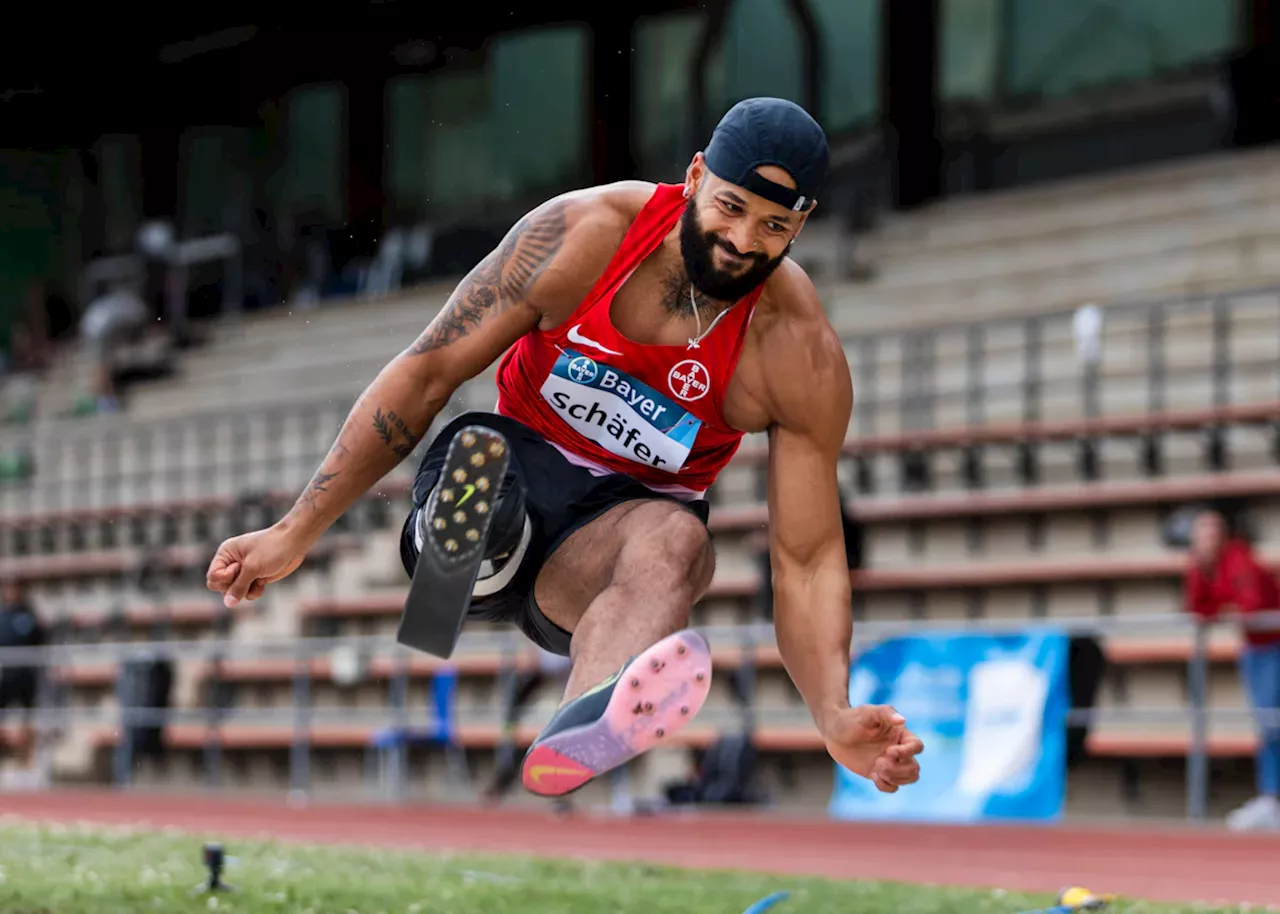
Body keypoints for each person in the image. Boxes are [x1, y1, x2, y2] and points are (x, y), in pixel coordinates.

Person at [206, 97, 924, 800]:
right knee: (479, 466)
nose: (742, 241)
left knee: (681, 541)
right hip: (511, 468)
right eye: (730, 207)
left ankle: (587, 717)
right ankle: (460, 575)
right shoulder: (583, 235)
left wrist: (832, 712)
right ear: (696, 176)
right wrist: (294, 531)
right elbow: (428, 371)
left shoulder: (797, 352)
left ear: (802, 224)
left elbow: (806, 560)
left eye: (772, 226)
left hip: (607, 548)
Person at [1184, 507, 1280, 830]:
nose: (1206, 540)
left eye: (1212, 532)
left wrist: (1228, 607)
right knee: (1266, 723)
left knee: (1271, 722)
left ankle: (1272, 798)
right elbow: (1198, 607)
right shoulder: (1202, 566)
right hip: (1256, 647)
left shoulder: (1238, 558)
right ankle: (1271, 798)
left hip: (1273, 644)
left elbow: (1251, 604)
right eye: (1200, 533)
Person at [0, 579, 45, 777]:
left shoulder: (28, 615)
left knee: (27, 721)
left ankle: (25, 764)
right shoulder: (2, 615)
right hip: (5, 676)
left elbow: (39, 640)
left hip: (25, 676)